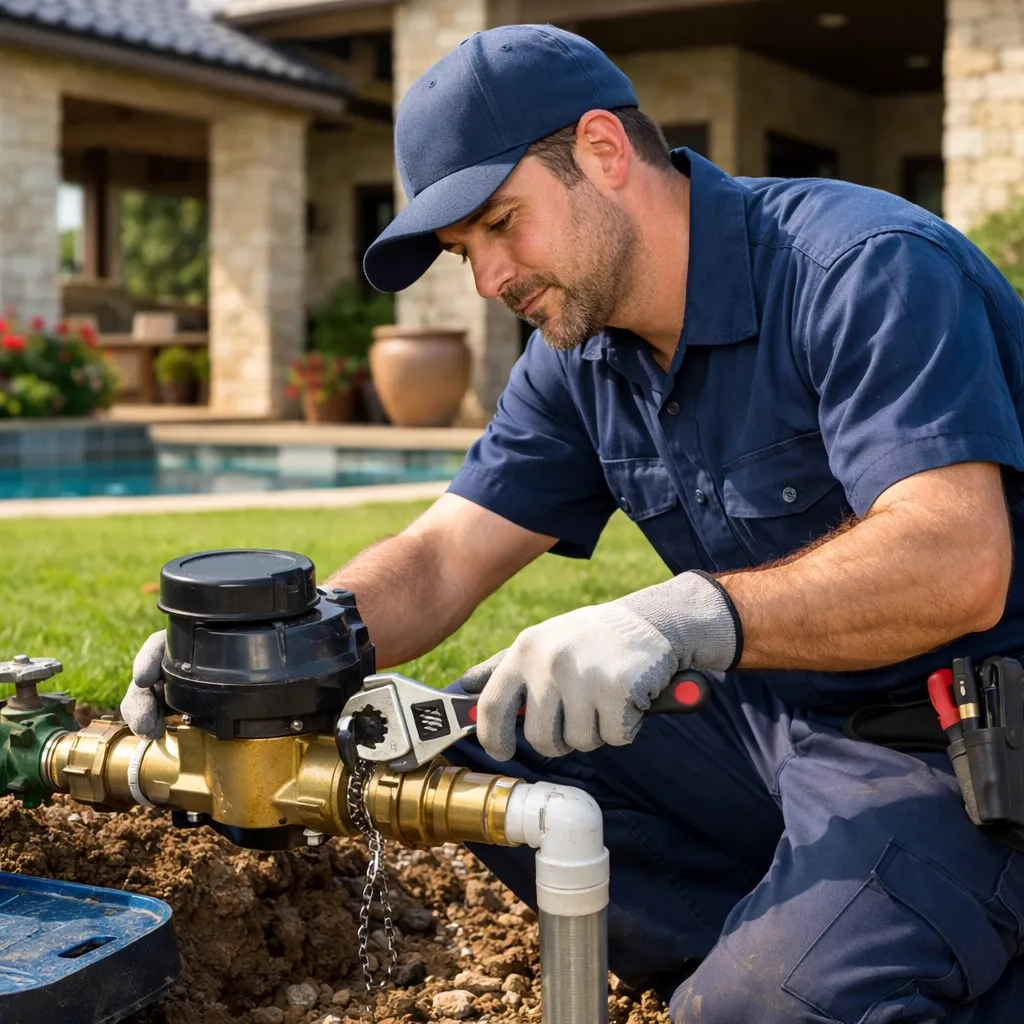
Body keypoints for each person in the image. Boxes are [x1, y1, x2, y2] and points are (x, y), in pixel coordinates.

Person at [122, 23, 1024, 1022]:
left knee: (753, 1010)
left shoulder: (859, 269)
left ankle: (861, 972)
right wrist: (281, 648)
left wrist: (684, 617)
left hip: (957, 741)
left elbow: (956, 557)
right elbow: (442, 555)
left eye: (502, 223)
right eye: (467, 251)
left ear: (602, 150)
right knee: (472, 734)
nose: (490, 280)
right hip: (776, 719)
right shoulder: (582, 352)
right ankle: (804, 953)